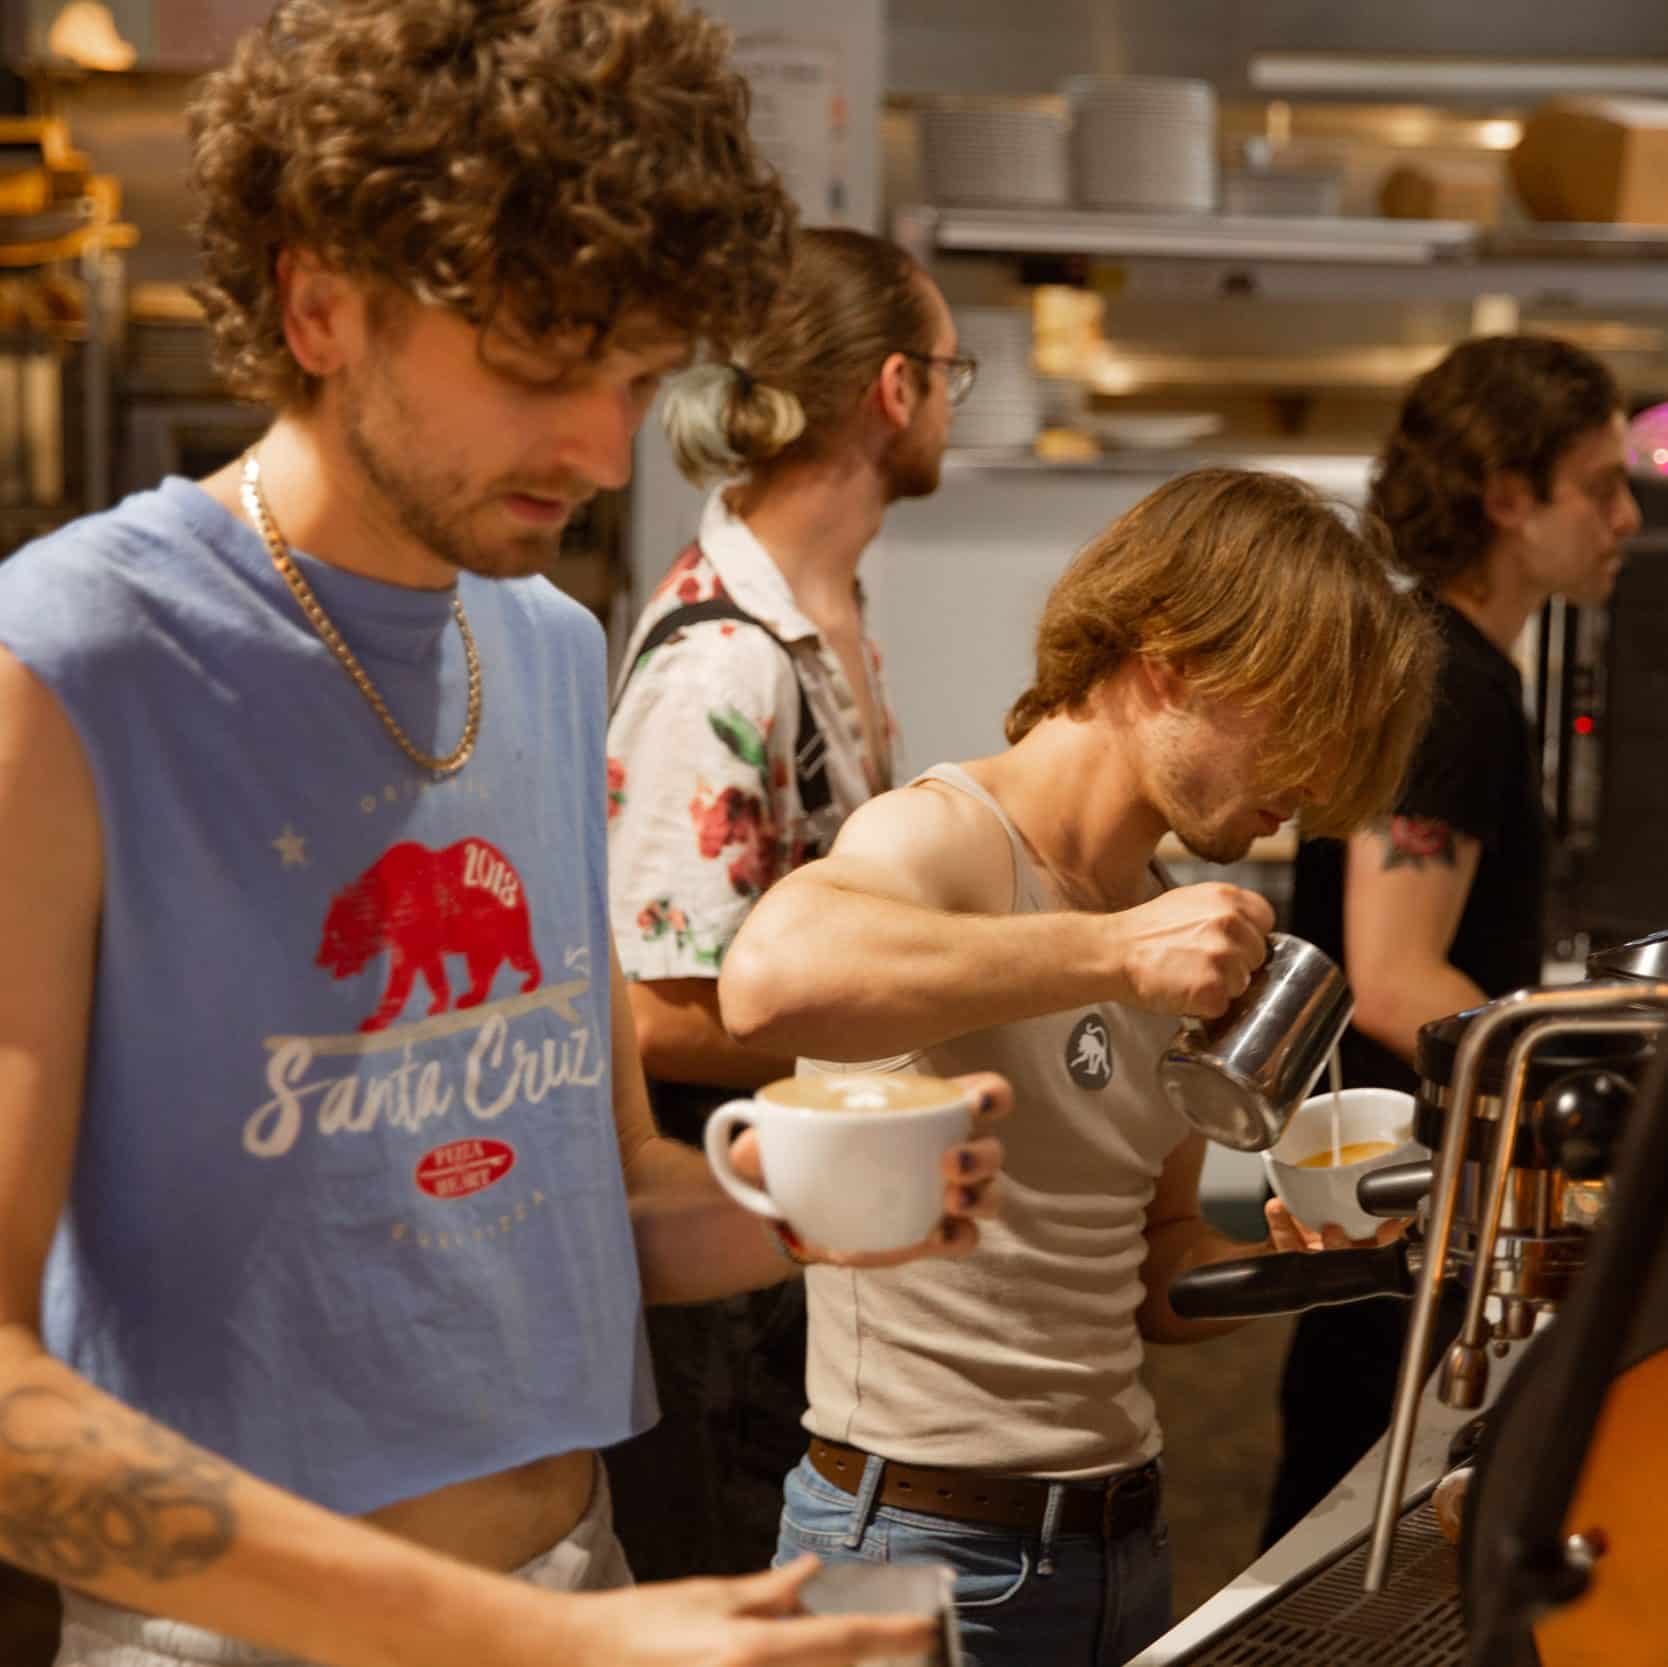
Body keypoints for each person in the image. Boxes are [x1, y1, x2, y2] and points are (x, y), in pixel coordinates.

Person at [0, 5, 1008, 1666]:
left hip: (579, 1570)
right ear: (321, 301)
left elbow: (588, 1189)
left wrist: (802, 1203)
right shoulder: (73, 664)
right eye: (542, 368)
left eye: (633, 375)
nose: (602, 450)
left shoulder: (537, 648)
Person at [715, 467, 1439, 1667]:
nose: (1312, 785)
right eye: (1300, 726)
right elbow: (767, 979)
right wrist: (1110, 951)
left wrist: (1322, 1272)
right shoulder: (948, 836)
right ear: (1169, 657)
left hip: (1120, 1542)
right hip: (901, 1542)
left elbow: (1152, 1273)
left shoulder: (1163, 928)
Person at [603, 225, 973, 1580]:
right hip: (711, 1213)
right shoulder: (723, 670)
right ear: (892, 388)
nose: (951, 400)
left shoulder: (831, 616)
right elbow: (652, 1015)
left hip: (792, 1204)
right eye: (950, 371)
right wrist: (919, 1026)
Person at [1260, 333, 1642, 1550]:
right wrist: (1587, 1120)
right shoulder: (1446, 685)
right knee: (1344, 1563)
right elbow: (1395, 976)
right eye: (1601, 484)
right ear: (1507, 496)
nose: (1629, 515)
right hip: (1406, 1222)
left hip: (1410, 1211)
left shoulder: (1462, 665)